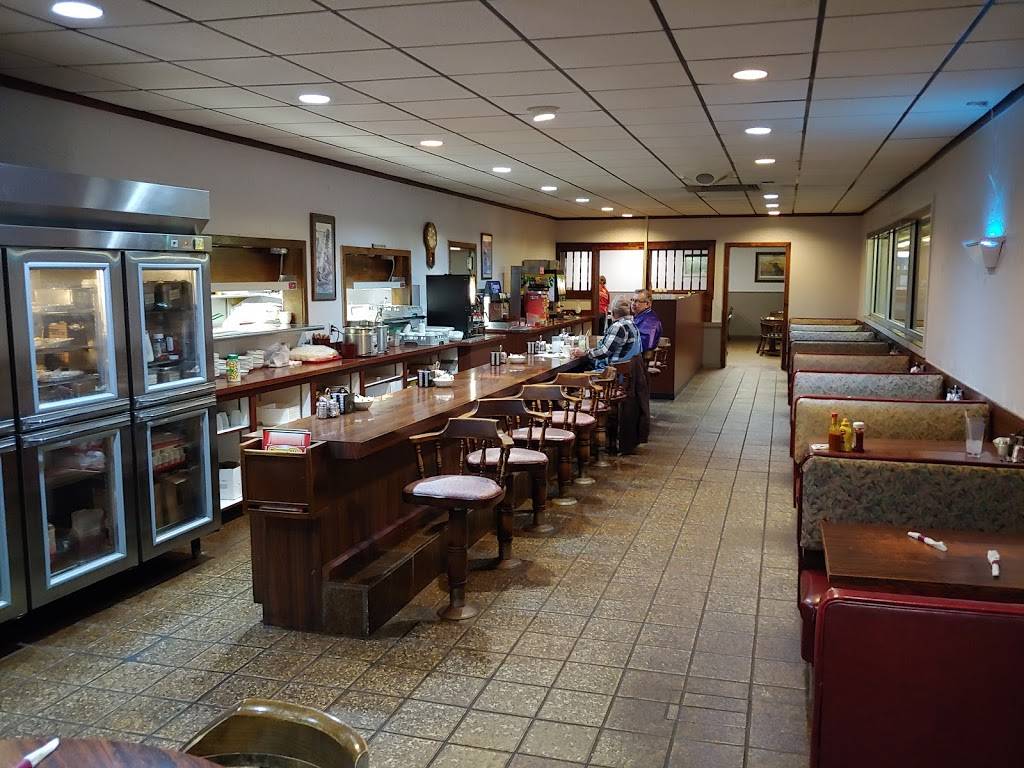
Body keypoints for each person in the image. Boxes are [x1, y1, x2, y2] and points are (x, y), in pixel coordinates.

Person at [573, 297, 640, 370]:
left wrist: (585, 353)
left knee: (576, 368)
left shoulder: (618, 326)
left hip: (612, 371)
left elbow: (604, 352)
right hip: (627, 369)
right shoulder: (632, 324)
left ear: (612, 312)